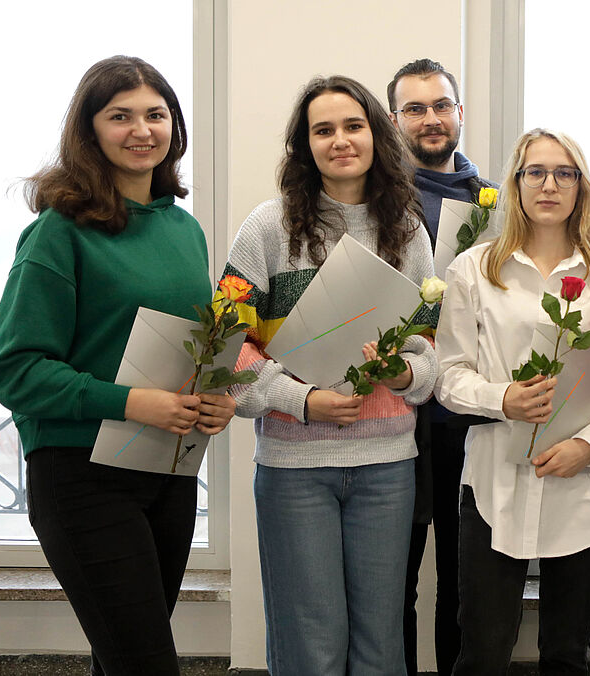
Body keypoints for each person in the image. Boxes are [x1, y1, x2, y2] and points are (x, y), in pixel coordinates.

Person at [0, 55, 236, 675]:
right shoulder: (57, 232)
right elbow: (13, 368)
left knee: (123, 655)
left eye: (156, 114)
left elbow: (190, 348)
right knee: (147, 662)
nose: (141, 129)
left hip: (167, 469)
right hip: (81, 477)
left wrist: (215, 397)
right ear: (89, 131)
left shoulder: (184, 230)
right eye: (119, 116)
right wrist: (130, 401)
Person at [223, 75, 436, 675]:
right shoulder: (265, 229)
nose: (340, 140)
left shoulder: (408, 230)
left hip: (387, 467)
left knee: (379, 644)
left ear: (377, 135)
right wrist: (304, 399)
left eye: (353, 125)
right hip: (295, 472)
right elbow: (222, 356)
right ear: (304, 145)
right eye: (323, 130)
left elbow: (434, 357)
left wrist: (400, 373)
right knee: (309, 646)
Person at [434, 128, 590, 674]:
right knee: (482, 650)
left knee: (567, 654)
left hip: (581, 482)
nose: (549, 185)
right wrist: (502, 398)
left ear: (581, 187)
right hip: (491, 482)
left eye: (564, 173)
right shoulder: (474, 270)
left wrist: (588, 444)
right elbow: (447, 376)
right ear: (516, 182)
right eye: (535, 172)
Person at [387, 57, 497, 676]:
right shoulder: (377, 201)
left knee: (464, 571)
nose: (431, 119)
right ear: (394, 119)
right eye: (415, 108)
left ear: (459, 113)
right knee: (394, 574)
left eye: (441, 106)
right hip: (395, 408)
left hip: (468, 412)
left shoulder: (497, 205)